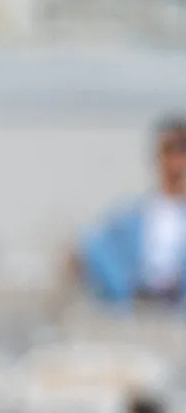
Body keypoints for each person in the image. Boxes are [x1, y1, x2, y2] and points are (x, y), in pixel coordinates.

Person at [75, 116, 186, 310]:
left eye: (182, 150)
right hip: (138, 302)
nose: (176, 162)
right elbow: (94, 248)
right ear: (157, 157)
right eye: (169, 151)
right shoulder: (132, 216)